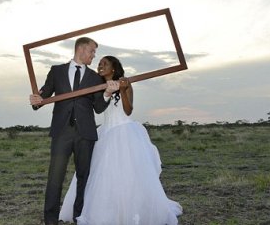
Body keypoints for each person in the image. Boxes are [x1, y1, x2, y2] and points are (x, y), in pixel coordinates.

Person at [59, 55, 183, 225]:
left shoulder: (125, 83)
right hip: (105, 134)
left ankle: (132, 209)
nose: (100, 66)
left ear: (114, 69)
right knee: (99, 174)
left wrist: (123, 90)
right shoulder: (97, 87)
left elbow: (128, 110)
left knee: (128, 173)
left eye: (105, 64)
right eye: (99, 64)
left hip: (124, 133)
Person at [30, 37, 120, 225]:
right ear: (81, 49)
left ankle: (80, 218)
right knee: (55, 177)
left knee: (83, 177)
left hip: (85, 134)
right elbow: (44, 95)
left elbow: (98, 108)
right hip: (61, 132)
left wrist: (106, 94)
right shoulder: (57, 71)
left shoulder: (95, 78)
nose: (94, 56)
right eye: (92, 51)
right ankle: (50, 220)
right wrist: (36, 100)